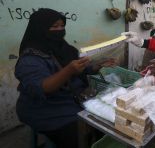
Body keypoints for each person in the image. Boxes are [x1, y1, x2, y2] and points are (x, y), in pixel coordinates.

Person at [15, 8, 115, 148]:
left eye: (62, 26)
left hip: (70, 97)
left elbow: (79, 70)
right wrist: (68, 70)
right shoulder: (29, 59)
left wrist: (97, 65)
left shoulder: (63, 48)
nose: (60, 30)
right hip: (44, 108)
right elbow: (43, 87)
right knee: (78, 134)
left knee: (104, 123)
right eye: (55, 26)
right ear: (40, 28)